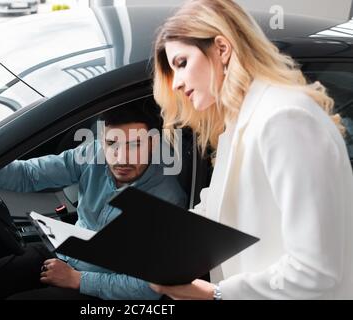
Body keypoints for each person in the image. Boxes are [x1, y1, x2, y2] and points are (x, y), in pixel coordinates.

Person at [149, 0, 353, 300]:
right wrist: (147, 244)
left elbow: (316, 270)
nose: (177, 83)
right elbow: (216, 211)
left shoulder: (283, 118)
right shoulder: (240, 121)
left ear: (221, 48)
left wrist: (216, 294)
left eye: (181, 63)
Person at [0, 99, 187, 300]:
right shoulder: (93, 153)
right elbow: (30, 175)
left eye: (134, 145)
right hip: (63, 252)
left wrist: (78, 279)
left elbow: (150, 288)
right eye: (111, 143)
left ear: (153, 143)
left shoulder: (168, 201)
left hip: (101, 290)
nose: (120, 158)